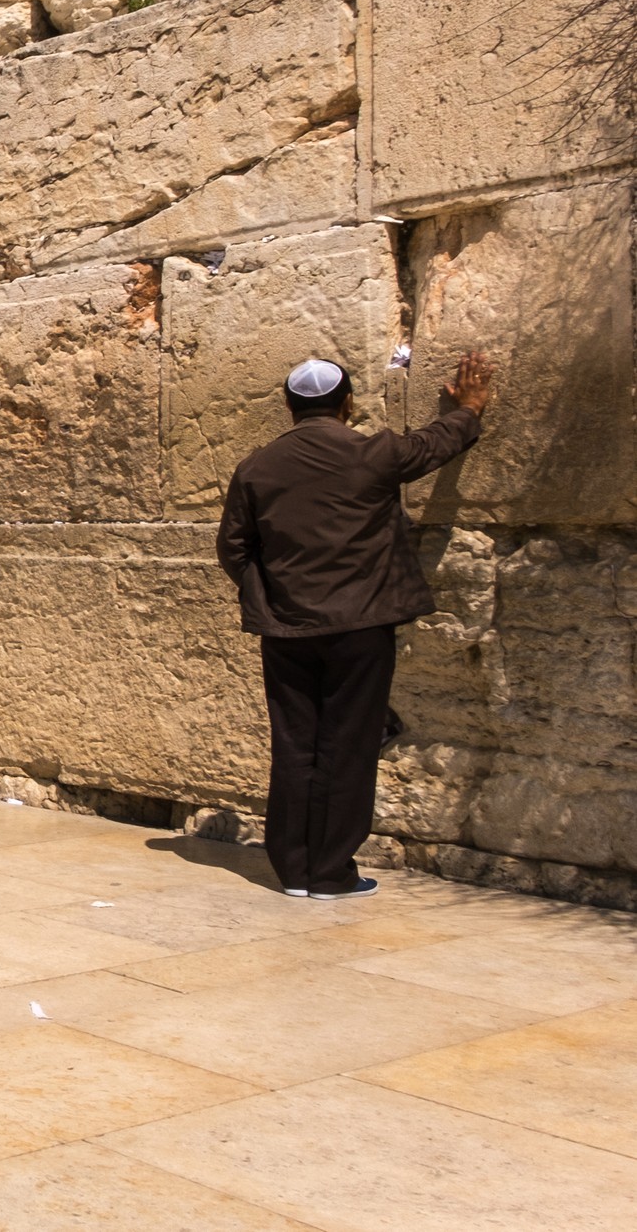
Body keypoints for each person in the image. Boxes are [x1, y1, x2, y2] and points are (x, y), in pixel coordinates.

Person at [219, 353, 492, 902]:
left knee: (297, 745)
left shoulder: (257, 467)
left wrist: (269, 601)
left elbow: (234, 549)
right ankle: (331, 873)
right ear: (348, 405)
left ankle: (293, 870)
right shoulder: (375, 451)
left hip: (287, 631)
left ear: (289, 407)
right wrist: (468, 408)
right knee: (348, 743)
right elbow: (435, 445)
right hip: (361, 628)